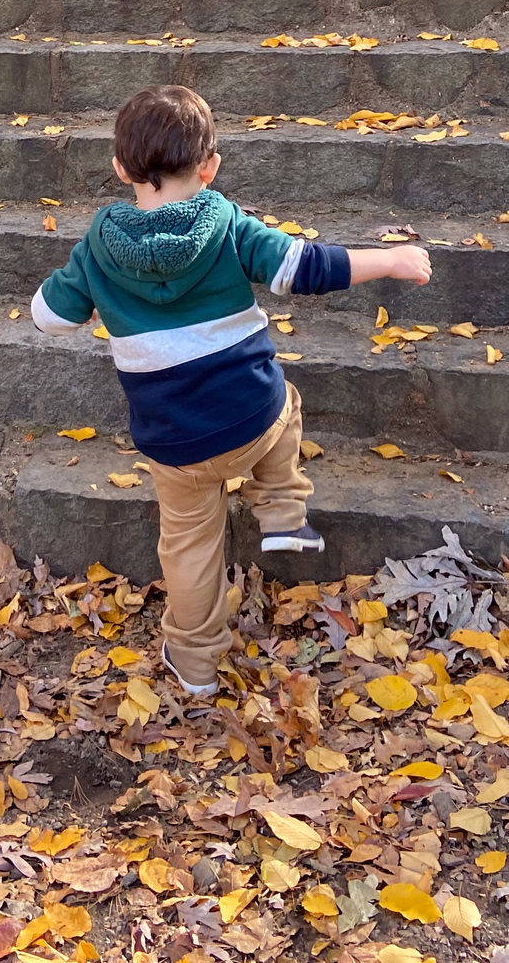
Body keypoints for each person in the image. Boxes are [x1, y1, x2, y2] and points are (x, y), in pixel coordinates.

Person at [31, 84, 432, 696]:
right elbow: (305, 267)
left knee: (189, 545)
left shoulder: (97, 247)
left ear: (120, 168)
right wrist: (390, 259)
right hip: (251, 418)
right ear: (210, 166)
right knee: (285, 403)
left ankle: (194, 666)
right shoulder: (228, 224)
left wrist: (81, 305)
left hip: (175, 444)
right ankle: (282, 510)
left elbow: (49, 316)